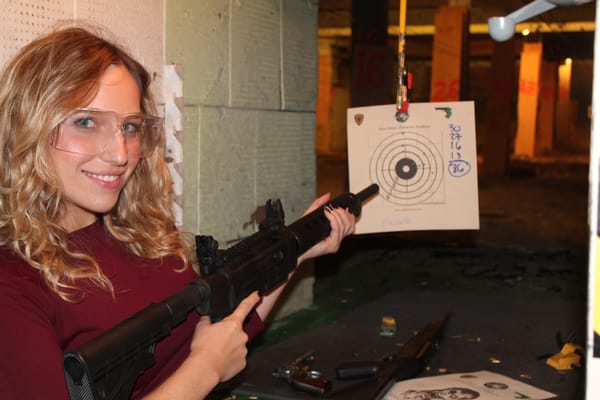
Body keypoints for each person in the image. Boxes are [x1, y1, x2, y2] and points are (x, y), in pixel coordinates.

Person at [0, 24, 356, 400]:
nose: (120, 153)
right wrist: (207, 368)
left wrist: (296, 250)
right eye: (86, 122)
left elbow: (220, 336)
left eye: (131, 126)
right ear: (29, 128)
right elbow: (204, 363)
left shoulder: (139, 235)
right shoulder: (14, 285)